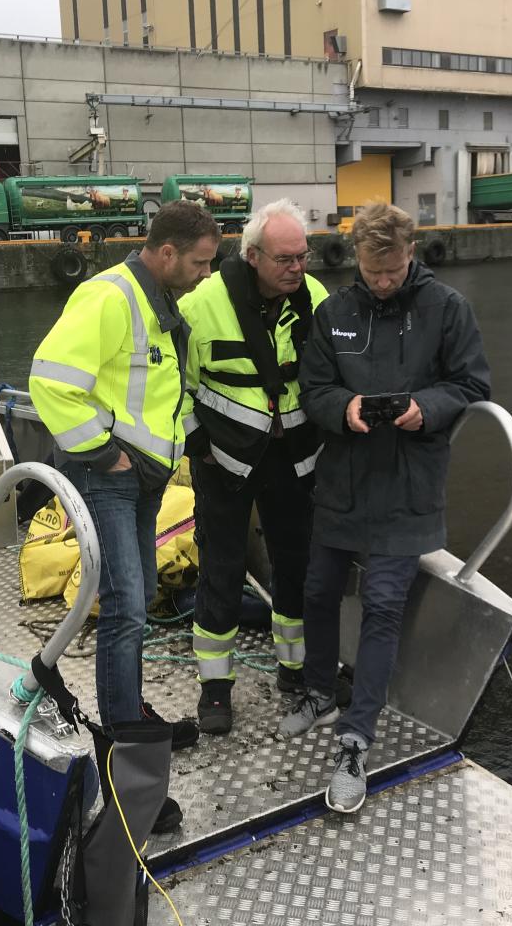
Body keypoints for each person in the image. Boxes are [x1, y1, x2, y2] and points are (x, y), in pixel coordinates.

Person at [278, 201, 491, 814]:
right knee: (317, 590)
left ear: (409, 255)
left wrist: (426, 407)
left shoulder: (447, 309)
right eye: (373, 274)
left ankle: (355, 737)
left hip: (407, 487)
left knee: (384, 605)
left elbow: (473, 386)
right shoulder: (335, 313)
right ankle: (320, 691)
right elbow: (313, 389)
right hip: (342, 479)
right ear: (359, 261)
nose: (382, 283)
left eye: (392, 273)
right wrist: (342, 409)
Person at [28, 200, 221, 761]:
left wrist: (190, 446)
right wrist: (104, 453)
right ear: (167, 253)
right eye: (201, 264)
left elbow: (160, 393)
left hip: (144, 478)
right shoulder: (110, 297)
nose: (206, 275)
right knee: (126, 604)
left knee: (134, 595)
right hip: (109, 478)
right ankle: (121, 735)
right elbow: (50, 382)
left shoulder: (160, 300)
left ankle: (128, 709)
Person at [179, 199, 328, 734]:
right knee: (220, 567)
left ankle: (294, 671)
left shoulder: (315, 299)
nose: (296, 268)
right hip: (223, 460)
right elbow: (177, 386)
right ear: (254, 255)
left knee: (296, 564)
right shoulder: (202, 306)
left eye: (302, 257)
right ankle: (215, 690)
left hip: (294, 458)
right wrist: (198, 445)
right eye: (285, 259)